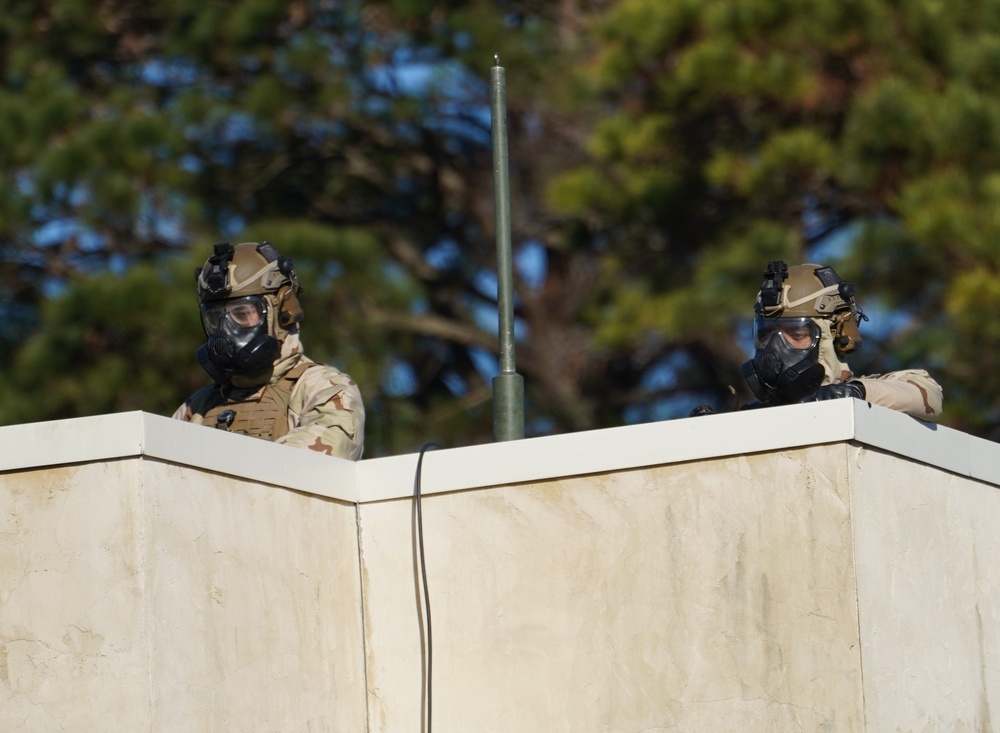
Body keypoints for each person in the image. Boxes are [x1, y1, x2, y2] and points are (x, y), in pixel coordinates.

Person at [172, 241, 365, 459]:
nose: (225, 331)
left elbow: (314, 465)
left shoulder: (323, 388)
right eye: (215, 318)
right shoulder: (198, 406)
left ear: (282, 312)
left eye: (242, 314)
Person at [736, 260, 943, 421]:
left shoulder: (860, 393)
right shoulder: (752, 416)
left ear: (833, 336)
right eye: (766, 335)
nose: (775, 349)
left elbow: (928, 394)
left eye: (797, 335)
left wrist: (856, 392)